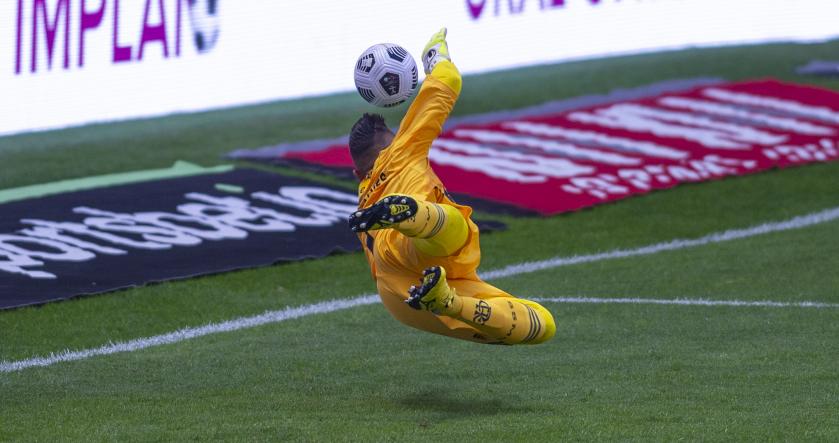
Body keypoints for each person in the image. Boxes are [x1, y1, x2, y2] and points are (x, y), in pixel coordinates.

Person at [347, 28, 555, 345]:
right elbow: (448, 83)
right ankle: (411, 214)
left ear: (355, 172)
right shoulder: (402, 149)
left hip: (397, 294)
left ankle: (448, 301)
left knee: (541, 323)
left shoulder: (363, 200)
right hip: (415, 241)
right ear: (390, 139)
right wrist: (436, 55)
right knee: (454, 226)